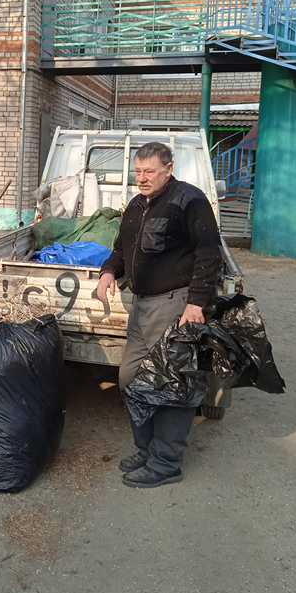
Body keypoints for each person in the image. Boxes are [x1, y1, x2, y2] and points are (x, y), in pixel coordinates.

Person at [96, 141, 222, 489]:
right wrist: (108, 271)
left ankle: (166, 462)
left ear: (168, 169)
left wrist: (196, 303)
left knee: (171, 383)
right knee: (130, 378)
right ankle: (148, 449)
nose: (142, 178)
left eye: (149, 172)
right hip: (141, 307)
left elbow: (209, 253)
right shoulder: (136, 205)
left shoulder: (190, 201)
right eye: (138, 171)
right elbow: (121, 250)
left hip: (175, 305)